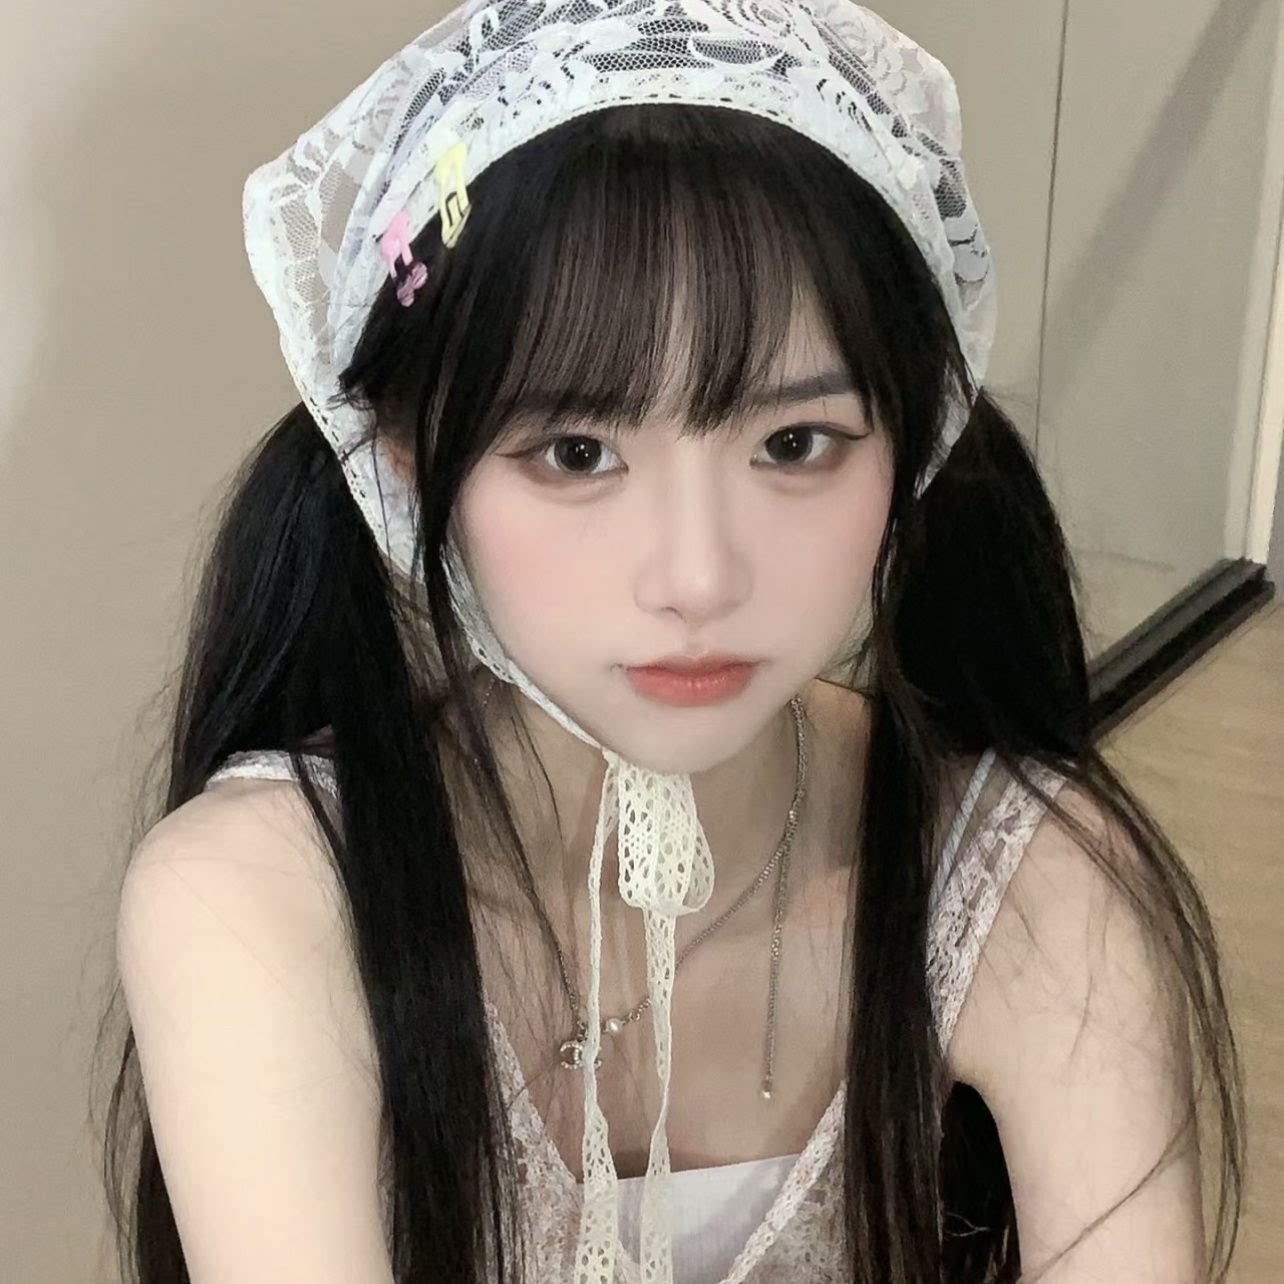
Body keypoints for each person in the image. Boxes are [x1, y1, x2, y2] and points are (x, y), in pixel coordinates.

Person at [98, 3, 1244, 1282]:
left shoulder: (1029, 879)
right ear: (408, 464)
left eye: (795, 444)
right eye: (577, 452)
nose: (698, 577)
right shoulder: (266, 893)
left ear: (918, 435)